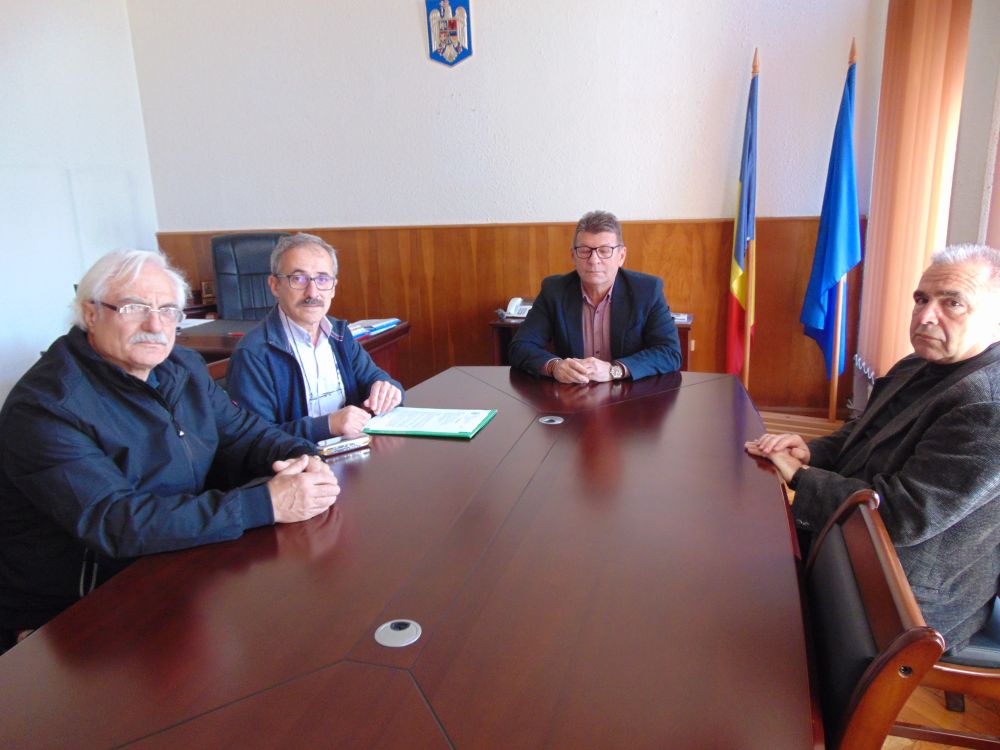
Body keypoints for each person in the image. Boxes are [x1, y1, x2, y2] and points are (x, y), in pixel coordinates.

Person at [0, 249, 340, 649]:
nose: (154, 325)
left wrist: (303, 456)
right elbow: (116, 522)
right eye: (134, 308)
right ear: (91, 313)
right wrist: (265, 504)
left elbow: (243, 433)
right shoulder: (46, 407)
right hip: (77, 615)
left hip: (177, 562)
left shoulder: (181, 366)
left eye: (167, 311)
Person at [746, 244, 1000, 650]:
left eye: (952, 303)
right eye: (922, 299)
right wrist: (813, 452)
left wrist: (801, 477)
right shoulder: (917, 363)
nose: (925, 316)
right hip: (851, 541)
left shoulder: (987, 405)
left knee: (751, 623)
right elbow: (863, 431)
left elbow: (904, 516)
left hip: (904, 594)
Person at [227, 233, 403, 441]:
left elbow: (375, 378)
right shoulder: (254, 353)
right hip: (298, 459)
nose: (312, 292)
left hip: (353, 451)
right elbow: (253, 440)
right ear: (275, 286)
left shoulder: (339, 334)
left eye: (322, 279)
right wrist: (326, 426)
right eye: (298, 279)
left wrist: (388, 390)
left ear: (333, 288)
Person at [508, 210, 682, 383]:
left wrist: (615, 370)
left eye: (604, 251)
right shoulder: (554, 291)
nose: (594, 260)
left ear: (621, 256)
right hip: (572, 392)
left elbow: (670, 352)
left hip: (629, 393)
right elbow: (520, 347)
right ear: (573, 256)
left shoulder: (647, 291)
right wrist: (555, 366)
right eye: (585, 251)